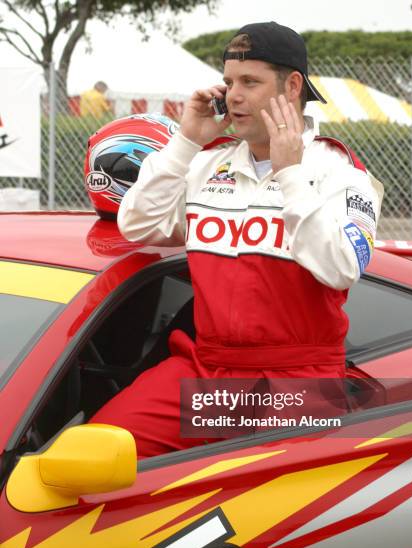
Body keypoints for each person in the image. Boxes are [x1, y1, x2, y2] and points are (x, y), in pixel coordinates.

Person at [90, 22, 384, 457]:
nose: (233, 96)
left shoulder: (341, 171)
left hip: (299, 381)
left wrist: (290, 174)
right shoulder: (209, 162)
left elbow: (341, 266)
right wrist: (186, 141)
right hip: (208, 375)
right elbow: (140, 223)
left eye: (250, 82)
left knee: (275, 508)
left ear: (292, 86)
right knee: (94, 452)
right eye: (228, 82)